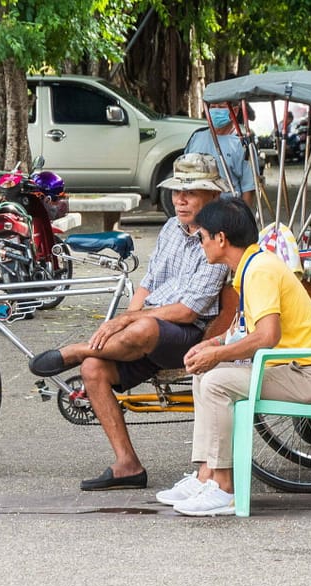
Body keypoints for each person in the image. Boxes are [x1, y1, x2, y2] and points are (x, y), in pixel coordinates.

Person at [28, 153, 230, 491]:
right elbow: (148, 284)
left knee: (143, 328)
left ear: (212, 196)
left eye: (191, 192)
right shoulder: (171, 228)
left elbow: (188, 311)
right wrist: (124, 321)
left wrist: (130, 320)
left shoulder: (217, 237)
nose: (181, 199)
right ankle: (128, 465)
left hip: (189, 334)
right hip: (145, 331)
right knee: (94, 368)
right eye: (177, 191)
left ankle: (76, 350)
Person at [155, 197, 311, 516]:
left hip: (308, 376)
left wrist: (219, 354)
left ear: (221, 239)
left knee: (215, 381)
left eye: (202, 237)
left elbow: (268, 336)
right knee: (204, 373)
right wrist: (212, 346)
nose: (201, 245)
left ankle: (224, 488)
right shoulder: (250, 267)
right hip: (290, 370)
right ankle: (206, 475)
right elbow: (244, 329)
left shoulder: (260, 271)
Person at [184, 103, 256, 206]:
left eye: (221, 107)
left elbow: (249, 188)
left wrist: (243, 218)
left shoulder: (242, 145)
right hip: (196, 207)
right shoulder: (196, 137)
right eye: (213, 107)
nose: (215, 111)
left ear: (234, 111)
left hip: (227, 210)